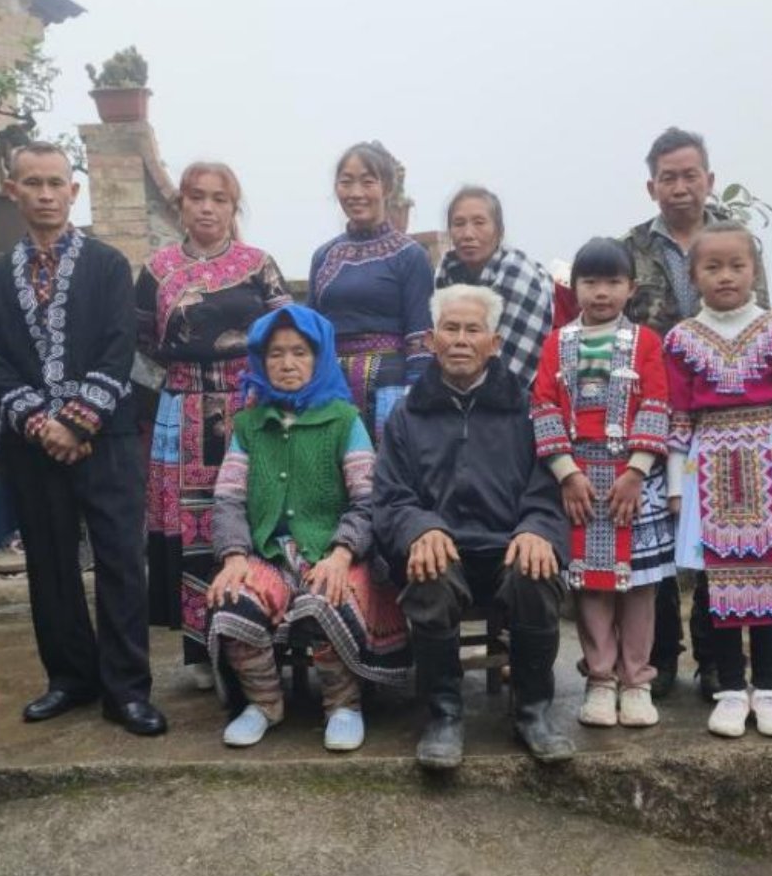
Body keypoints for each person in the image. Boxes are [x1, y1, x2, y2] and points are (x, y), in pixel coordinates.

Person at [0, 142, 166, 737]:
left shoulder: (108, 265)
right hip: (33, 446)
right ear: (12, 191)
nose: (46, 194)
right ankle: (70, 678)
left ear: (73, 191)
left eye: (56, 183)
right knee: (50, 562)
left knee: (120, 561)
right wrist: (42, 426)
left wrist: (78, 422)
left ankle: (127, 690)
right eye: (32, 183)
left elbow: (118, 346)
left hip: (107, 438)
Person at [372, 284, 574, 768]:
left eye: (473, 330)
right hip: (442, 549)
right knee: (429, 576)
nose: (461, 340)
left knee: (535, 573)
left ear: (494, 343)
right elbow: (391, 496)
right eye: (450, 328)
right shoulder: (406, 414)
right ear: (431, 340)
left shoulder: (528, 408)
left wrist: (536, 528)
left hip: (509, 544)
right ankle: (444, 715)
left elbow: (549, 485)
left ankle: (533, 711)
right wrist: (420, 528)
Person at [206, 306, 409, 753]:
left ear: (320, 358)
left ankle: (343, 705)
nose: (287, 363)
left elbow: (368, 500)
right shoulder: (248, 425)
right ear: (261, 362)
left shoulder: (344, 420)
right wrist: (234, 556)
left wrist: (341, 554)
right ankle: (264, 703)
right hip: (269, 554)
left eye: (299, 352)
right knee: (233, 599)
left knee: (325, 598)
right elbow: (229, 499)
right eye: (275, 353)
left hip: (335, 553)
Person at [621, 126, 772, 702]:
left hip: (727, 416)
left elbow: (763, 321)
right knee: (655, 537)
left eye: (690, 175)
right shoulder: (631, 248)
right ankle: (660, 657)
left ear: (709, 179)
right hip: (653, 413)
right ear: (651, 187)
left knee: (719, 541)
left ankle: (716, 659)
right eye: (668, 177)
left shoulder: (736, 241)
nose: (680, 186)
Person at [135, 162, 291, 690]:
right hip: (182, 411)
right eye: (196, 196)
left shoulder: (258, 265)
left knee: (259, 512)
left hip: (251, 406)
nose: (207, 207)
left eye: (219, 198)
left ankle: (263, 635)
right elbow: (141, 343)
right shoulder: (157, 270)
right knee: (193, 527)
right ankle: (201, 646)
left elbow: (287, 335)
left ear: (233, 206)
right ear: (180, 204)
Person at [663, 225, 772, 740]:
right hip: (708, 463)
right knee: (718, 583)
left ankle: (768, 689)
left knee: (767, 579)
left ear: (754, 271)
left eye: (737, 265)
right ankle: (731, 689)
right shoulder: (682, 340)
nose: (725, 276)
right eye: (712, 267)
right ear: (694, 277)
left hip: (768, 461)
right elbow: (678, 418)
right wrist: (675, 487)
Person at [531, 238, 675, 729]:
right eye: (590, 281)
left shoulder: (647, 343)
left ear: (631, 288)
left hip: (635, 480)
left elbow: (656, 403)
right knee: (591, 586)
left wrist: (636, 471)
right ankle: (599, 678)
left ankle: (637, 680)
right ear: (574, 287)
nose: (601, 292)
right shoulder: (556, 343)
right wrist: (566, 474)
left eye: (613, 282)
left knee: (639, 586)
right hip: (580, 481)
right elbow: (543, 406)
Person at [308, 142, 434, 439]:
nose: (356, 193)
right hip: (332, 390)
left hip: (391, 390)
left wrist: (416, 403)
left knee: (389, 465)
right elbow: (311, 332)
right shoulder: (324, 256)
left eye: (367, 182)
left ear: (386, 187)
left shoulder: (411, 256)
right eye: (346, 182)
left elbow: (421, 340)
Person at [433, 184, 555, 392]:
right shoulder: (445, 273)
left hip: (512, 397)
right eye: (459, 224)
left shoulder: (520, 275)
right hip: (455, 391)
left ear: (499, 230)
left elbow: (510, 369)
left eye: (479, 223)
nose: (468, 234)